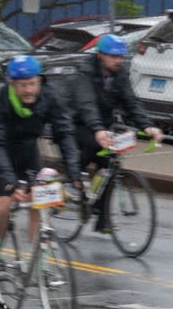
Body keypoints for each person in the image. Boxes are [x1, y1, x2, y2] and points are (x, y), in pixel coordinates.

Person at [0, 54, 81, 273]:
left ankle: (41, 261)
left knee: (39, 202)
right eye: (23, 85)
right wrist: (10, 181)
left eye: (33, 84)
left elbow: (64, 133)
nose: (29, 90)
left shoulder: (50, 95)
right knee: (2, 205)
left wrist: (74, 172)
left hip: (27, 149)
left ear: (40, 81)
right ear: (12, 84)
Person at [65, 33, 165, 232]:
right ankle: (73, 179)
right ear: (101, 55)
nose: (118, 60)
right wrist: (98, 129)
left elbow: (131, 102)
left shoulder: (119, 74)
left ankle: (103, 221)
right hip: (78, 121)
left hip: (103, 123)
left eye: (121, 56)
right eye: (113, 56)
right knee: (94, 143)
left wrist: (148, 126)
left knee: (110, 164)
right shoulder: (85, 72)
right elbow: (87, 105)